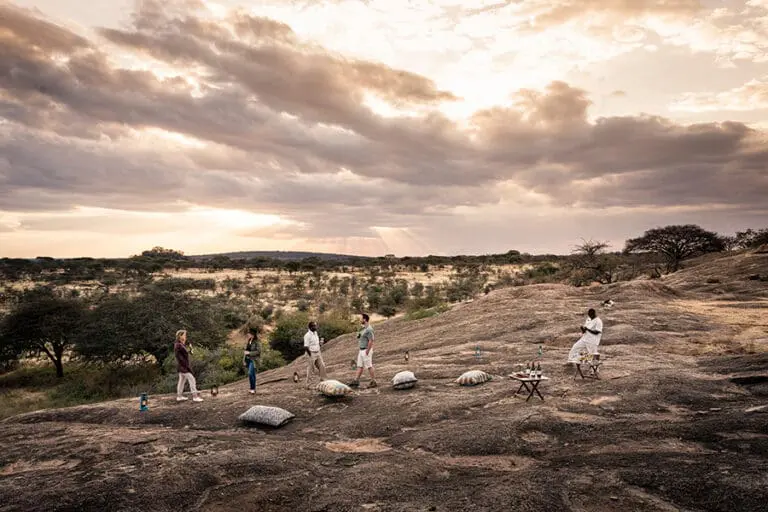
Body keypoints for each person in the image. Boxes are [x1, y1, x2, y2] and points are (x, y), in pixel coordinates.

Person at [174, 330, 203, 402]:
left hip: (181, 366)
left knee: (181, 381)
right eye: (184, 335)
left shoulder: (179, 344)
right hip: (183, 367)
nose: (185, 336)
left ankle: (179, 396)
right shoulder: (179, 345)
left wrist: (190, 350)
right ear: (180, 336)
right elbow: (182, 357)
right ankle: (195, 397)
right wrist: (187, 367)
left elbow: (185, 353)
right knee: (192, 380)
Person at [349, 313, 376, 388]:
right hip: (361, 350)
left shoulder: (369, 329)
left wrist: (368, 350)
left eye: (361, 319)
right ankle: (356, 380)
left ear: (365, 319)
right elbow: (358, 337)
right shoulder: (363, 328)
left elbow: (371, 340)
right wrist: (358, 330)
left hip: (366, 350)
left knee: (369, 366)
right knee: (359, 366)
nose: (360, 320)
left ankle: (373, 381)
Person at [303, 321, 327, 388]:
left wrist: (320, 343)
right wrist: (310, 355)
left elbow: (316, 343)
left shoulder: (315, 333)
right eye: (314, 326)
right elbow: (306, 346)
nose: (316, 327)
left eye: (316, 326)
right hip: (311, 353)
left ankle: (324, 380)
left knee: (322, 366)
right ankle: (309, 385)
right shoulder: (307, 335)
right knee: (311, 369)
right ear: (310, 327)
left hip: (318, 352)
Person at [243, 328, 261, 394]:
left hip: (254, 360)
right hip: (248, 359)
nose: (248, 334)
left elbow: (259, 351)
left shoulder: (257, 342)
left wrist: (249, 353)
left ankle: (252, 389)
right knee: (252, 374)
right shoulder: (249, 340)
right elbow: (246, 351)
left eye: (249, 333)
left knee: (250, 373)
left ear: (253, 334)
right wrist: (244, 360)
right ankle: (253, 388)